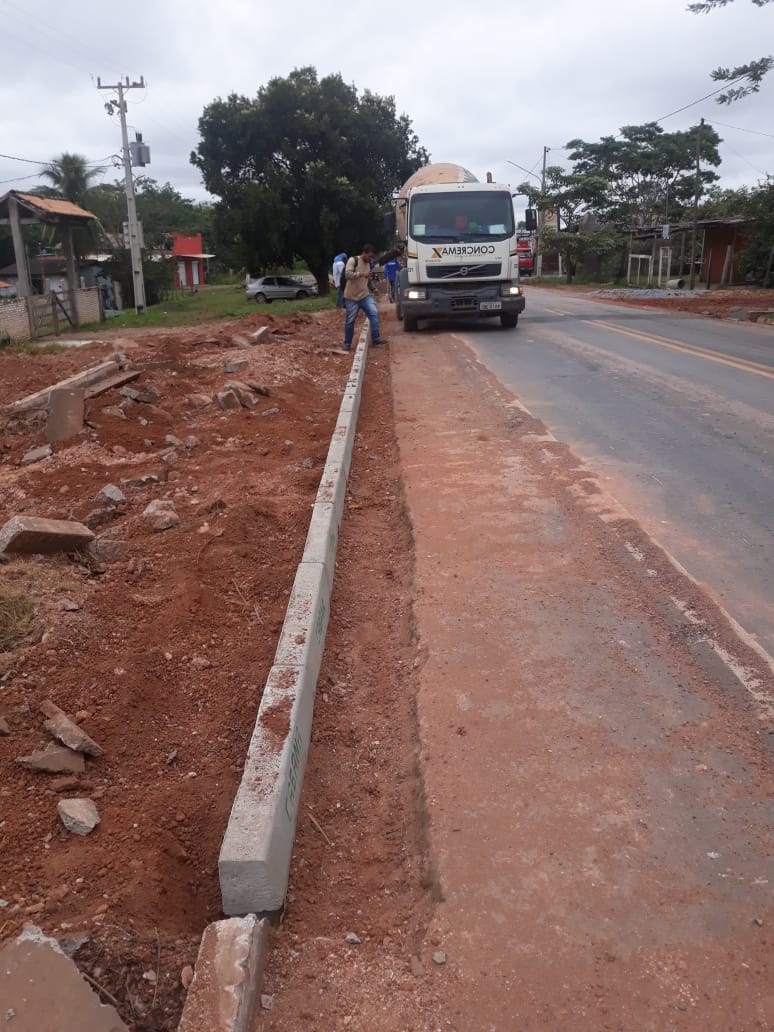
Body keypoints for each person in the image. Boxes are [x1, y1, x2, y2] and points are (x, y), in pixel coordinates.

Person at [341, 244, 388, 351]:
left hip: (364, 295)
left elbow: (368, 279)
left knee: (373, 313)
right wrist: (361, 274)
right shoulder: (353, 260)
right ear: (364, 253)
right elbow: (347, 274)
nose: (370, 259)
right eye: (369, 256)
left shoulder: (369, 263)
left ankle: (376, 339)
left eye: (372, 257)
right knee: (350, 320)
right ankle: (347, 343)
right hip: (351, 297)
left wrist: (374, 289)